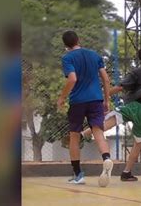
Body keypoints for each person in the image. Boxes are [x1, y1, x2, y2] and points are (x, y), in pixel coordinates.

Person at [80, 23, 141, 181]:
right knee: (138, 142)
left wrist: (101, 94)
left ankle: (84, 133)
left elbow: (119, 87)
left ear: (140, 60)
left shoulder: (136, 72)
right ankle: (126, 172)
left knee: (110, 120)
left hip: (132, 105)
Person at [57, 31, 113, 187]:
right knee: (98, 131)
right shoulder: (94, 55)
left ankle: (78, 174)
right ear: (78, 40)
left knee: (74, 135)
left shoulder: (67, 58)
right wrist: (106, 100)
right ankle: (107, 158)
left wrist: (62, 97)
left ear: (65, 45)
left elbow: (72, 78)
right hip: (96, 99)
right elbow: (106, 79)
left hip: (78, 102)